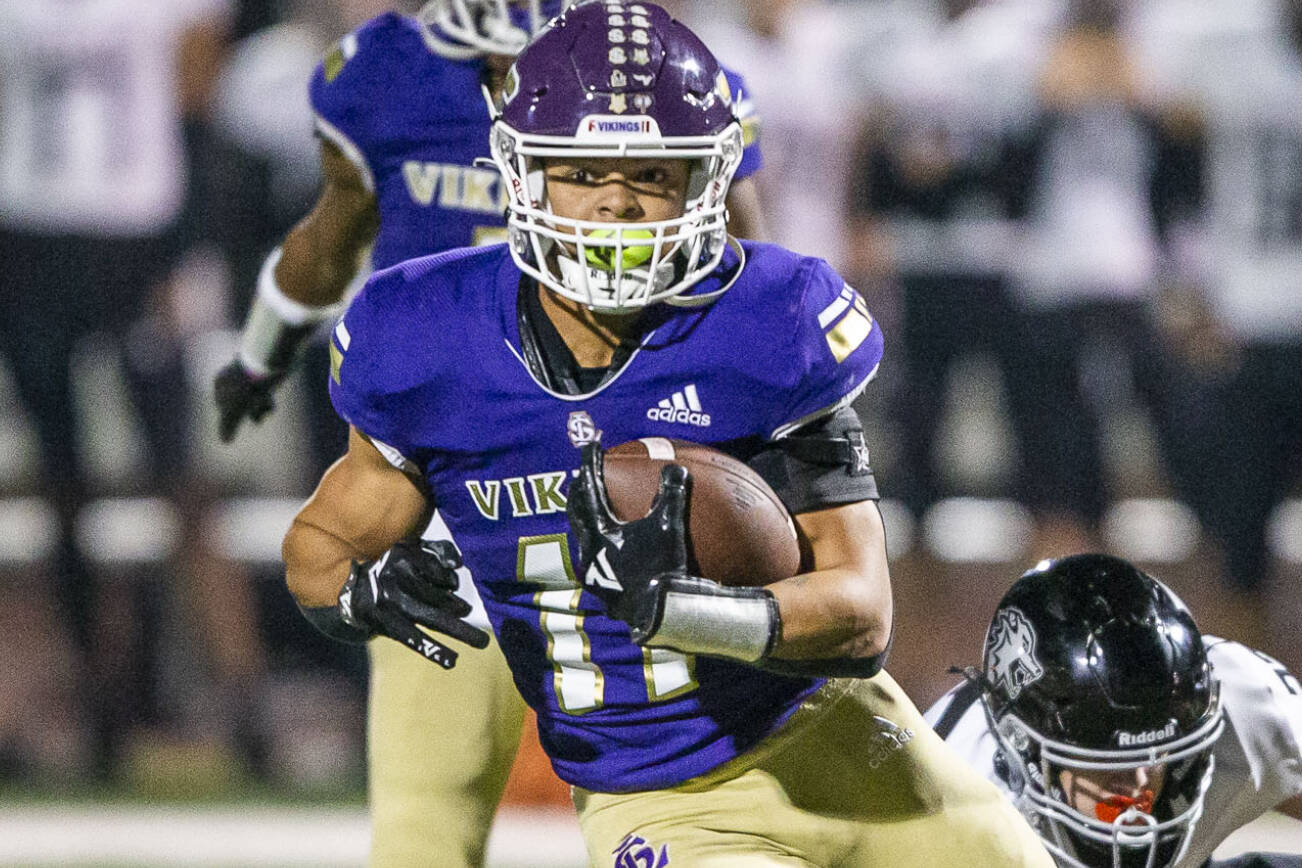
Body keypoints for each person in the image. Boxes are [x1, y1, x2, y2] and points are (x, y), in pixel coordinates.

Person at [280, 4, 1054, 865]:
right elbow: (318, 542)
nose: (616, 201)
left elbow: (864, 615)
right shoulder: (425, 332)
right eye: (581, 171)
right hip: (661, 797)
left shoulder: (768, 320)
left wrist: (684, 611)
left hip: (837, 731)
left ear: (707, 180)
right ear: (522, 173)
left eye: (652, 173)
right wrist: (351, 594)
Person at [214, 1, 766, 864]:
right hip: (462, 488)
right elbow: (332, 237)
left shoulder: (670, 71)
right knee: (424, 835)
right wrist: (261, 351)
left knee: (695, 830)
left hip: (635, 490)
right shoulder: (391, 77)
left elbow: (748, 285)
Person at [925, 553, 1302, 868]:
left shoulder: (1251, 703)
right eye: (1107, 762)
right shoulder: (950, 791)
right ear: (1020, 743)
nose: (1138, 784)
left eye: (1159, 754)